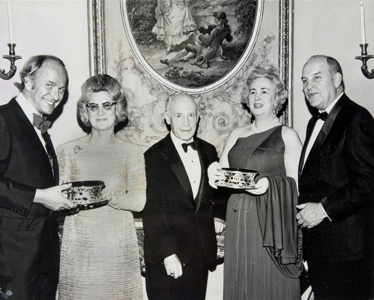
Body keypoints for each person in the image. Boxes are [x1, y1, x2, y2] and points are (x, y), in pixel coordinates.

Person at [208, 65, 304, 299]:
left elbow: (298, 186)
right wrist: (212, 171)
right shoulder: (236, 134)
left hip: (270, 221)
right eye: (252, 92)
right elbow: (223, 178)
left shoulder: (287, 135)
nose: (257, 97)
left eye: (264, 91)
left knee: (269, 285)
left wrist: (271, 184)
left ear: (276, 98)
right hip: (238, 217)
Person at [57, 74, 146, 299]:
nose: (100, 113)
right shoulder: (68, 150)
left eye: (107, 105)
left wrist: (111, 197)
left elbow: (139, 201)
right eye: (93, 106)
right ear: (85, 110)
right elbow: (59, 199)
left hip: (117, 246)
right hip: (80, 247)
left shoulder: (132, 152)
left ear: (118, 108)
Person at [296, 55, 374, 299]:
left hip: (348, 253)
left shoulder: (356, 118)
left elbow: (368, 184)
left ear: (337, 79)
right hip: (322, 251)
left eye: (317, 78)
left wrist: (322, 210)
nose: (309, 86)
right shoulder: (313, 123)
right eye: (305, 80)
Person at [0, 55, 76, 300]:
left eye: (62, 89)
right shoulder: (3, 118)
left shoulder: (39, 126)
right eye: (50, 85)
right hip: (14, 262)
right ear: (29, 81)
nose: (56, 96)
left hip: (43, 260)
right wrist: (41, 196)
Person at [142, 92, 225, 300]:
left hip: (199, 254)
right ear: (167, 119)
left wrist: (218, 214)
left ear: (198, 117)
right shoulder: (152, 157)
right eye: (179, 116)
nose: (186, 123)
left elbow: (218, 191)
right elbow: (152, 209)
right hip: (167, 257)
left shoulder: (209, 151)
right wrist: (168, 254)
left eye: (191, 115)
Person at [161, 11, 233, 68]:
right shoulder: (227, 28)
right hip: (217, 48)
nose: (215, 19)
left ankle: (170, 61)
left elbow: (207, 42)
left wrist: (200, 35)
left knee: (188, 46)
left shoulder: (215, 30)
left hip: (210, 50)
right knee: (192, 51)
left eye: (216, 18)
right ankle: (173, 61)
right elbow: (229, 39)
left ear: (219, 20)